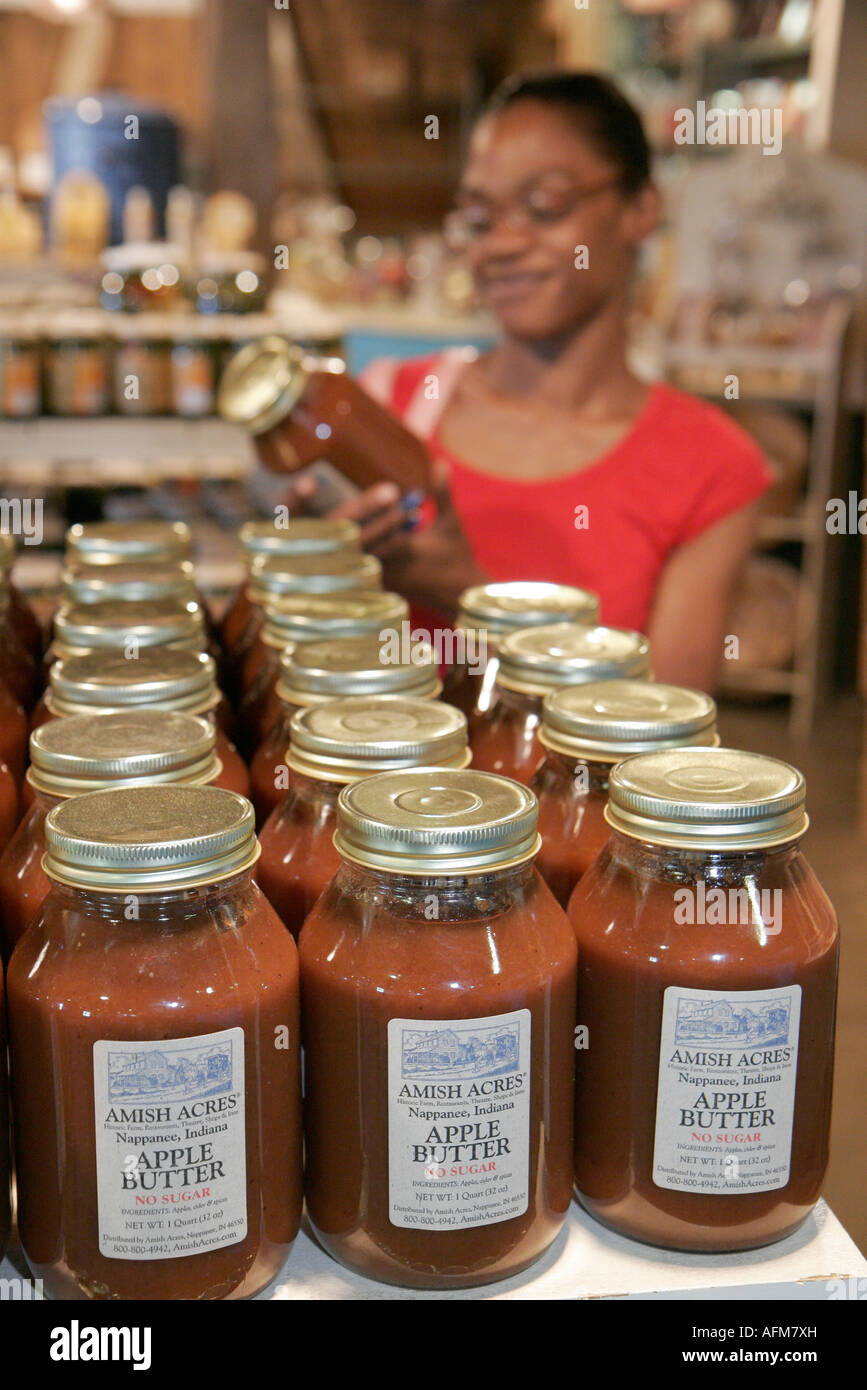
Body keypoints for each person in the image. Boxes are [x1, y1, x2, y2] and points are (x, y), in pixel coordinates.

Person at [295, 72, 774, 691]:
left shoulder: (712, 466)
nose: (504, 243)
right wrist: (305, 559)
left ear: (640, 209)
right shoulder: (394, 403)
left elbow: (662, 734)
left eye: (545, 206)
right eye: (479, 216)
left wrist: (463, 594)